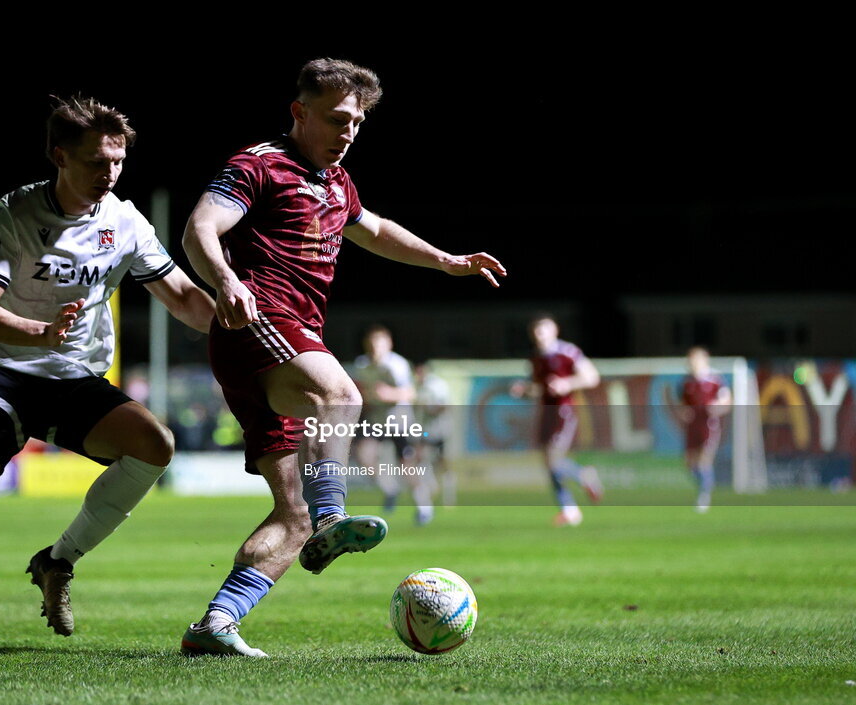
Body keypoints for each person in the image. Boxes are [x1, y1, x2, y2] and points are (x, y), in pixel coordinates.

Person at [0, 96, 216, 656]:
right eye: (97, 162)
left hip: (74, 381)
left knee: (154, 445)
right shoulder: (14, 214)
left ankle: (57, 561)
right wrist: (39, 333)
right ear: (59, 156)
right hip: (6, 374)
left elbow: (186, 300)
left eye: (117, 161)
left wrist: (244, 323)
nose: (110, 174)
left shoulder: (125, 221)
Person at [181, 58, 506, 657]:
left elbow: (376, 230)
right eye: (336, 119)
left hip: (281, 342)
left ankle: (216, 625)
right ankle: (335, 515)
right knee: (342, 396)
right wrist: (226, 282)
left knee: (291, 515)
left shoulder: (338, 183)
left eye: (357, 121)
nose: (349, 131)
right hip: (257, 322)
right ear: (299, 113)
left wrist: (447, 261)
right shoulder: (259, 165)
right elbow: (200, 228)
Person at [510, 314, 602, 526]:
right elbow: (539, 389)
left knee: (554, 460)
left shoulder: (567, 352)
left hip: (564, 411)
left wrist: (567, 383)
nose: (539, 335)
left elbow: (591, 377)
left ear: (555, 331)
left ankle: (584, 475)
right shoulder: (535, 359)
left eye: (543, 330)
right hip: (546, 412)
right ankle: (569, 510)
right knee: (548, 463)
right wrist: (524, 391)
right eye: (536, 331)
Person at [352, 325, 434, 525]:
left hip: (399, 420)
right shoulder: (362, 364)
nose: (375, 349)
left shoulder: (397, 365)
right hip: (377, 419)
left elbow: (410, 393)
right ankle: (389, 489)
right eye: (371, 344)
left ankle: (424, 507)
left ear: (388, 344)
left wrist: (389, 394)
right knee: (363, 455)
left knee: (407, 465)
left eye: (378, 344)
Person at [674, 346, 732, 512]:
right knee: (689, 463)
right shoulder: (686, 382)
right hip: (692, 427)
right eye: (690, 360)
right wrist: (683, 412)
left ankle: (704, 495)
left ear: (704, 360)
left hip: (709, 426)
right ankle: (704, 486)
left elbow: (727, 401)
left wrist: (716, 407)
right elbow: (682, 405)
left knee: (704, 460)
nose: (692, 363)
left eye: (695, 360)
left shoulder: (715, 380)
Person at [412, 359, 454, 508]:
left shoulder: (437, 385)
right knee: (420, 457)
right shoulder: (416, 386)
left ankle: (448, 495)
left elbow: (444, 406)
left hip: (440, 430)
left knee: (442, 462)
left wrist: (428, 408)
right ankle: (431, 487)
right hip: (425, 432)